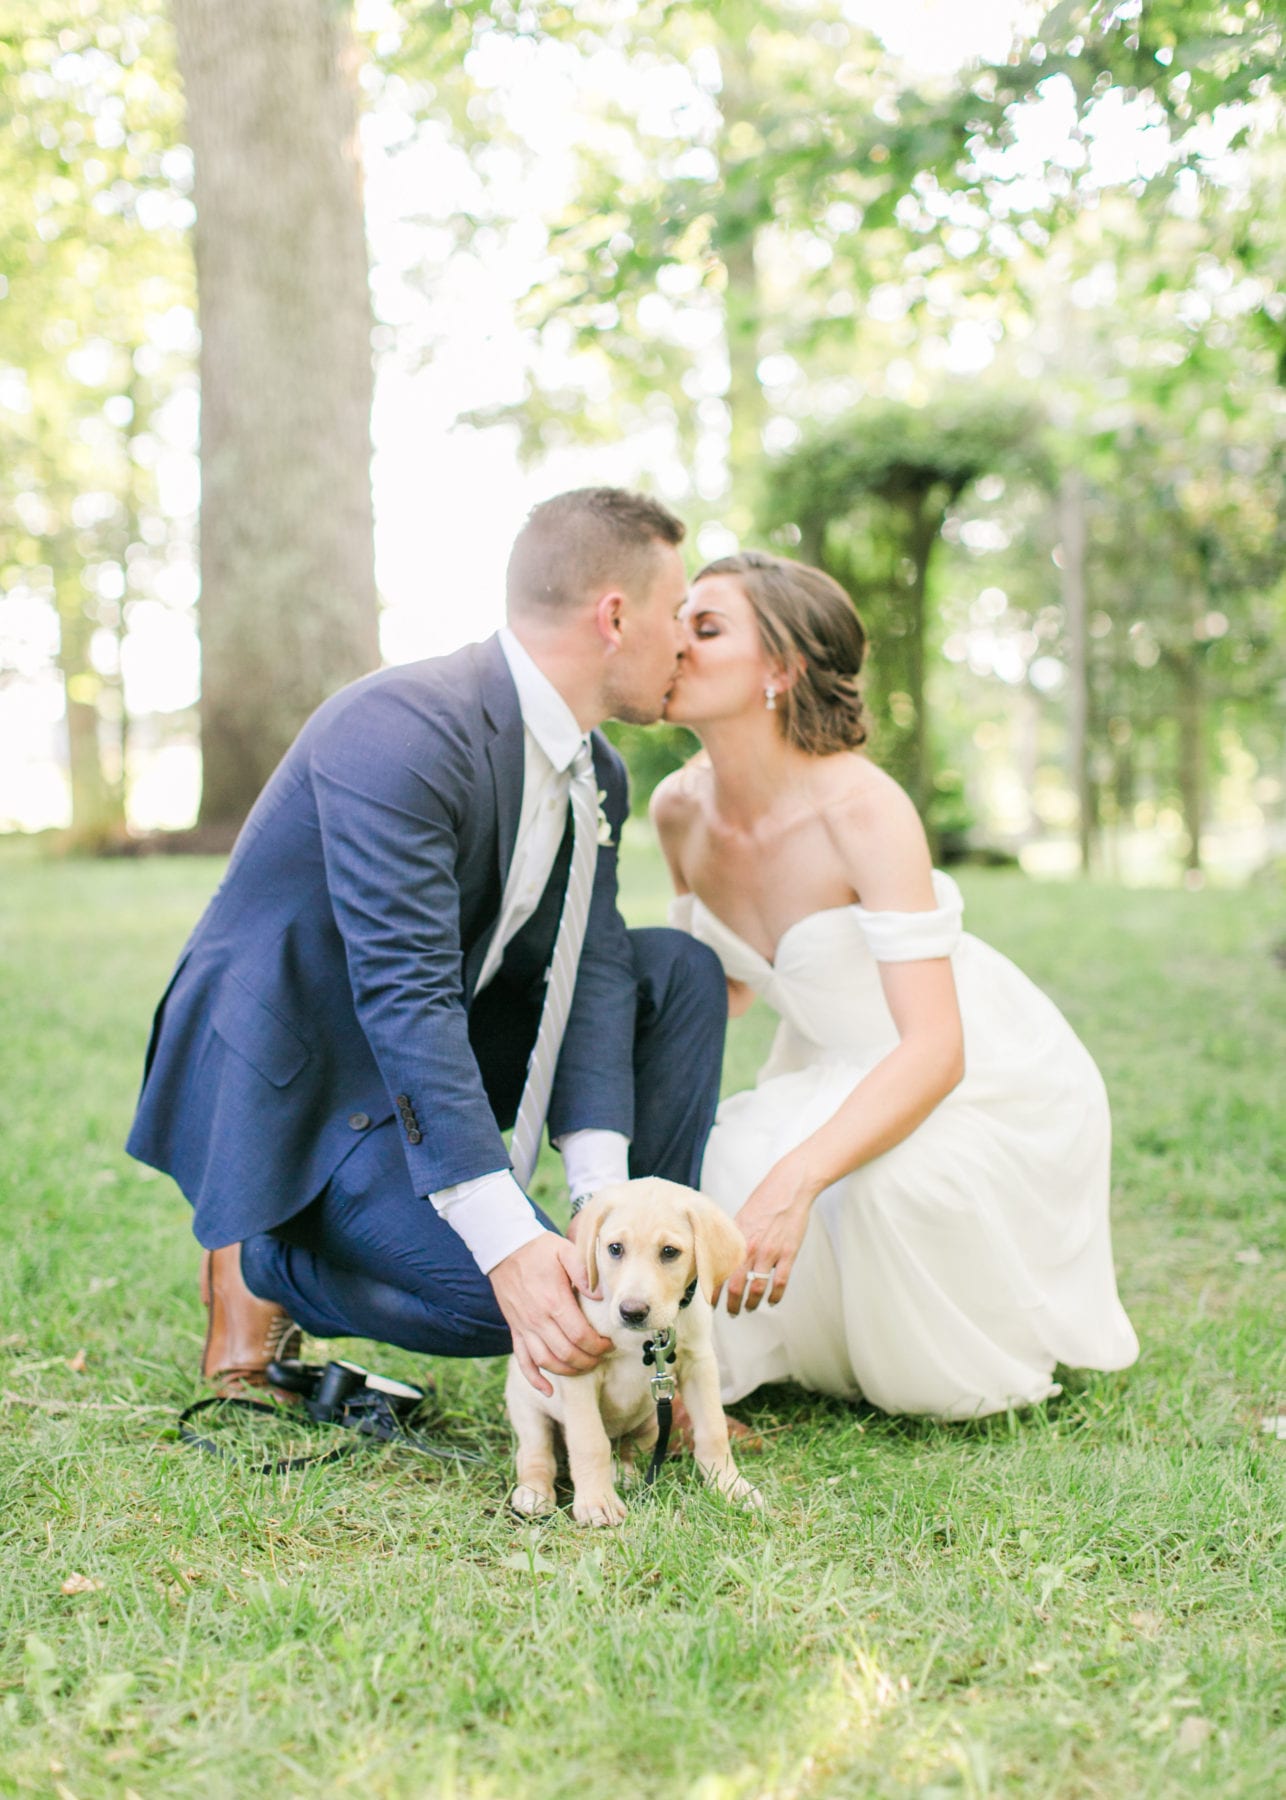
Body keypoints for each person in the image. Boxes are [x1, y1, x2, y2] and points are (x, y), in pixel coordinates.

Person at [127, 488, 728, 1400]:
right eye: (676, 615)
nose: (684, 642)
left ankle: (658, 1351)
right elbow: (404, 991)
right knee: (503, 1302)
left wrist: (600, 1210)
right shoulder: (402, 725)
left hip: (440, 1033)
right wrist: (512, 1243)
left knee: (675, 973)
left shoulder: (597, 771)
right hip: (319, 1079)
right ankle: (261, 1263)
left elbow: (592, 964)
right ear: (615, 616)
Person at [652, 551, 1139, 1419]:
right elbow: (721, 990)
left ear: (780, 669)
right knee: (723, 1158)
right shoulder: (677, 810)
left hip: (972, 1070)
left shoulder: (861, 809)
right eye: (676, 621)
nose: (673, 643)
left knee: (873, 1189)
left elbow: (937, 1047)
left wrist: (797, 1178)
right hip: (830, 1065)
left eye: (706, 626)